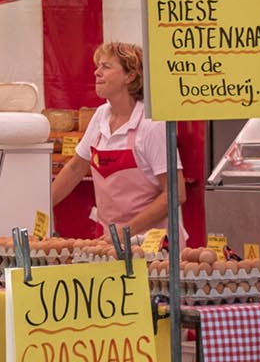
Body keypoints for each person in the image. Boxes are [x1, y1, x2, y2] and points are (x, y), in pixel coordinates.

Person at [51, 43, 185, 238]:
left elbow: (175, 193)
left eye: (106, 66)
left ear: (130, 76)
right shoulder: (100, 116)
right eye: (98, 66)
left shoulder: (151, 125)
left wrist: (126, 232)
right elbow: (76, 168)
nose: (97, 72)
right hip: (110, 239)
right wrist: (41, 206)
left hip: (151, 245)